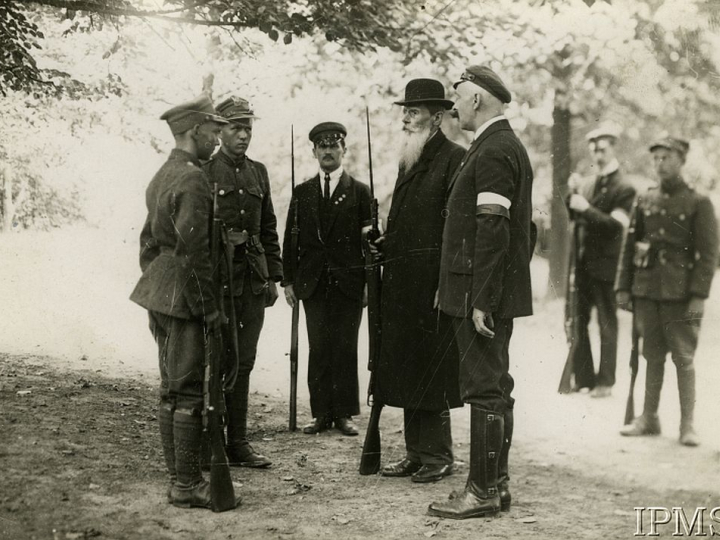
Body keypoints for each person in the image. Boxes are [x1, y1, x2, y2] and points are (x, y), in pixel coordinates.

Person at [428, 66, 535, 520]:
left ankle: (483, 490)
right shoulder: (496, 146)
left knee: (484, 388)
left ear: (477, 101)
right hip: (478, 289)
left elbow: (494, 230)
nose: (454, 107)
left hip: (479, 294)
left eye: (460, 98)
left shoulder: (494, 150)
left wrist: (482, 300)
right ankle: (497, 485)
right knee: (493, 386)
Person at [130, 95, 229, 508]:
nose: (218, 140)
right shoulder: (193, 179)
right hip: (186, 298)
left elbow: (148, 243)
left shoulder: (163, 174)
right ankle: (187, 485)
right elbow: (195, 252)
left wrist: (159, 282)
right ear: (194, 131)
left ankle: (180, 479)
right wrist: (208, 307)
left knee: (170, 389)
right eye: (213, 131)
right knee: (187, 391)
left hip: (162, 292)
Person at [374, 79, 465, 484]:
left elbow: (453, 228)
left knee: (432, 367)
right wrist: (385, 242)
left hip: (430, 283)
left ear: (439, 116)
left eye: (413, 111)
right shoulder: (408, 159)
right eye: (404, 110)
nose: (405, 118)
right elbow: (408, 220)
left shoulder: (454, 159)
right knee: (410, 365)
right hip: (402, 281)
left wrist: (444, 282)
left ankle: (438, 455)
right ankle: (416, 452)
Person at [617, 137, 718, 447]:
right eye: (656, 158)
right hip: (648, 290)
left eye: (666, 158)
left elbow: (709, 254)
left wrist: (699, 296)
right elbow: (629, 245)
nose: (660, 164)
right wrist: (623, 286)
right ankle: (649, 418)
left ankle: (687, 424)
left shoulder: (698, 202)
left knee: (683, 357)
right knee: (651, 354)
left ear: (681, 160)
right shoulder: (644, 199)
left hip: (681, 293)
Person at [202, 96, 283, 468]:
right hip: (219, 280)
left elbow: (268, 228)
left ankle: (238, 441)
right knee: (216, 359)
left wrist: (274, 278)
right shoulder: (205, 170)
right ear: (220, 130)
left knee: (245, 361)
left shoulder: (259, 172)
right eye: (236, 127)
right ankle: (211, 440)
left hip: (252, 279)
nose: (244, 135)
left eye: (248, 128)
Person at [282, 122, 371, 437]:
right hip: (314, 282)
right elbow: (290, 240)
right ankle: (321, 413)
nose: (328, 151)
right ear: (314, 152)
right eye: (322, 147)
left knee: (345, 347)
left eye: (334, 146)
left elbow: (368, 243)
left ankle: (344, 413)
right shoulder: (302, 192)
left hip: (349, 283)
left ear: (344, 150)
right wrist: (288, 280)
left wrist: (367, 284)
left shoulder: (360, 191)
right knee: (318, 346)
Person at [566, 125, 636, 397]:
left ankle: (605, 382)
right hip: (583, 265)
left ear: (613, 147)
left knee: (607, 323)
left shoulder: (625, 187)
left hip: (607, 268)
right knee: (579, 321)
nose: (598, 152)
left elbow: (616, 227)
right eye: (594, 148)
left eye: (603, 147)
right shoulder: (587, 183)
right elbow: (576, 221)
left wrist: (585, 207)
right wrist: (572, 197)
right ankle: (584, 379)